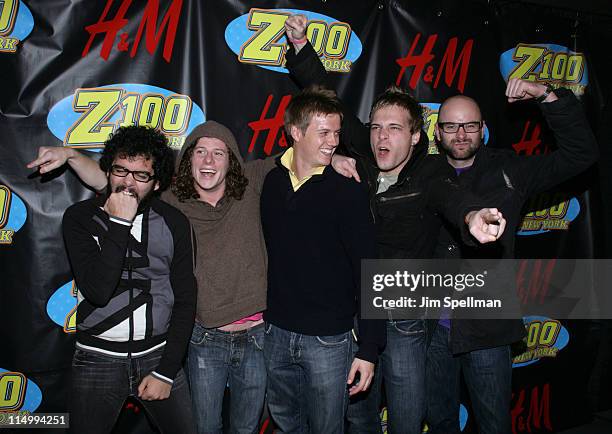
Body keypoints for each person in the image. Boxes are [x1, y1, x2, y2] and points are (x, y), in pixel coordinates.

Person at [29, 121, 359, 434]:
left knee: (247, 427)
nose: (209, 160)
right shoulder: (171, 201)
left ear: (233, 161)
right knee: (205, 428)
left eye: (219, 152)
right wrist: (71, 155)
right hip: (203, 339)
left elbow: (297, 156)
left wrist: (331, 157)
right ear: (188, 159)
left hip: (257, 336)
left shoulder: (253, 182)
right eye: (200, 151)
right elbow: (119, 184)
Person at [283, 15, 508, 434]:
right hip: (356, 311)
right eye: (376, 128)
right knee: (360, 413)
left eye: (395, 129)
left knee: (406, 415)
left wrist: (473, 217)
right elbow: (332, 105)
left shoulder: (431, 172)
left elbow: (452, 196)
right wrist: (300, 47)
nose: (382, 137)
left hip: (405, 314)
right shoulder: (363, 162)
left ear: (416, 136)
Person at [425, 79, 598, 434]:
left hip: (488, 329)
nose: (461, 134)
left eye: (470, 125)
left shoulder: (510, 171)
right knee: (440, 423)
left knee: (493, 425)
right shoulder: (423, 173)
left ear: (483, 129)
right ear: (437, 131)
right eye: (451, 126)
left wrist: (547, 96)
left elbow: (581, 154)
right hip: (430, 331)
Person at [260, 85, 386, 433]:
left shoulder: (348, 192)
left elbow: (369, 270)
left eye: (337, 133)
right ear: (296, 133)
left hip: (329, 340)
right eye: (324, 132)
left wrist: (370, 348)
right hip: (276, 332)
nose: (334, 141)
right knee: (286, 425)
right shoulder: (271, 182)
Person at [61, 125, 197, 433]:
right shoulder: (80, 218)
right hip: (96, 360)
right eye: (120, 170)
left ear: (157, 182)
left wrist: (166, 371)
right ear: (108, 171)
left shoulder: (174, 223)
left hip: (158, 355)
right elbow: (98, 290)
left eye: (141, 175)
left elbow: (186, 299)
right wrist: (119, 222)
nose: (128, 183)